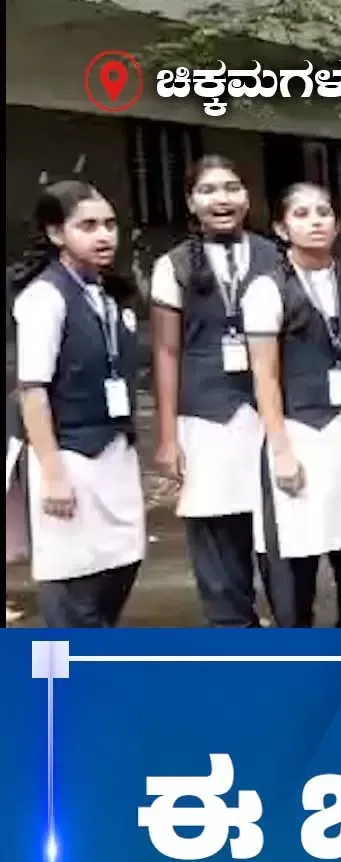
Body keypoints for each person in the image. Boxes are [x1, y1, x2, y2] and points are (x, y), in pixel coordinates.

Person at [243, 183, 341, 628]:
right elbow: (265, 375)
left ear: (338, 223)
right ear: (280, 227)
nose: (315, 222)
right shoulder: (268, 288)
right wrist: (281, 450)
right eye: (301, 214)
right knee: (294, 567)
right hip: (299, 432)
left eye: (323, 212)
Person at [10, 181, 145, 626]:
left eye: (109, 224)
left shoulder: (108, 293)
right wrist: (53, 475)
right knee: (71, 589)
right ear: (56, 234)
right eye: (87, 226)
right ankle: (53, 673)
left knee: (118, 568)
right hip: (68, 456)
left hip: (115, 452)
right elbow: (33, 390)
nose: (103, 235)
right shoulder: (45, 298)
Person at [150, 155, 277, 627]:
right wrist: (168, 437)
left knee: (276, 528)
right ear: (191, 202)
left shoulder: (274, 255)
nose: (221, 199)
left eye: (231, 188)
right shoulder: (174, 265)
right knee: (216, 533)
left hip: (270, 412)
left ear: (247, 196)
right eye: (207, 190)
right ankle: (233, 635)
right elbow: (166, 351)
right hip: (204, 417)